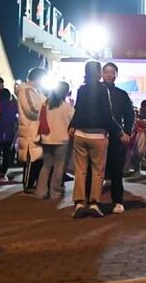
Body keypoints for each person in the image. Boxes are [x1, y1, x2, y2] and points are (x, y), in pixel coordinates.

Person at [68, 60, 120, 217]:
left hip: (80, 134)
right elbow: (107, 114)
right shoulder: (103, 90)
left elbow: (77, 110)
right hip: (98, 135)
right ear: (98, 73)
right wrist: (118, 131)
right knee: (97, 171)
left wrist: (72, 125)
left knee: (80, 171)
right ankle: (94, 204)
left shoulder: (81, 89)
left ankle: (79, 203)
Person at [101, 63, 135, 213]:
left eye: (112, 72)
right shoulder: (95, 92)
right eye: (106, 72)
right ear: (102, 74)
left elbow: (129, 115)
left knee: (116, 170)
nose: (109, 75)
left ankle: (118, 201)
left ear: (116, 75)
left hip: (116, 136)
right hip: (97, 135)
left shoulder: (122, 94)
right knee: (95, 170)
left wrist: (126, 132)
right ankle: (92, 201)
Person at [35, 82, 75, 201]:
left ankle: (41, 191)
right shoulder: (67, 107)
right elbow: (73, 120)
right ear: (66, 92)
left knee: (46, 165)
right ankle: (55, 192)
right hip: (62, 140)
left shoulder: (45, 104)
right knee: (59, 167)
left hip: (46, 139)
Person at [16, 67, 48, 194]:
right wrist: (45, 112)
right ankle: (28, 184)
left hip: (36, 128)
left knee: (37, 158)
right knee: (31, 158)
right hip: (30, 129)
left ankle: (33, 183)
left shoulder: (36, 90)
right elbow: (31, 110)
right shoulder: (26, 90)